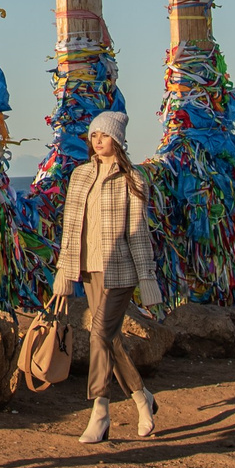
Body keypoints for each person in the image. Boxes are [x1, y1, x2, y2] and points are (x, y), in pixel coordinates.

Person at [55, 109, 161, 442]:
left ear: (117, 139)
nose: (98, 141)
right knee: (110, 339)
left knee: (100, 333)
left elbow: (138, 232)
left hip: (120, 272)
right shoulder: (80, 175)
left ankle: (100, 410)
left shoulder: (132, 179)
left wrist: (147, 277)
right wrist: (63, 270)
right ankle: (142, 399)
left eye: (104, 135)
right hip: (88, 269)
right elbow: (70, 230)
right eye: (94, 136)